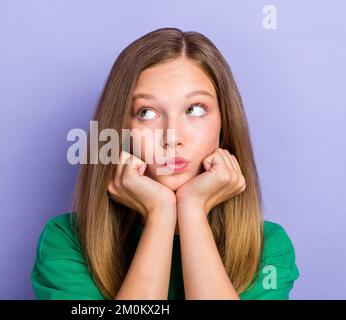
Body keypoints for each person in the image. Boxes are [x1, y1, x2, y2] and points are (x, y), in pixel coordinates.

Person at [31, 27, 299, 300]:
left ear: (224, 123)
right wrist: (159, 215)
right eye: (147, 113)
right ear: (120, 130)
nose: (172, 137)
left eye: (195, 110)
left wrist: (192, 210)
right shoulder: (66, 241)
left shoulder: (267, 248)